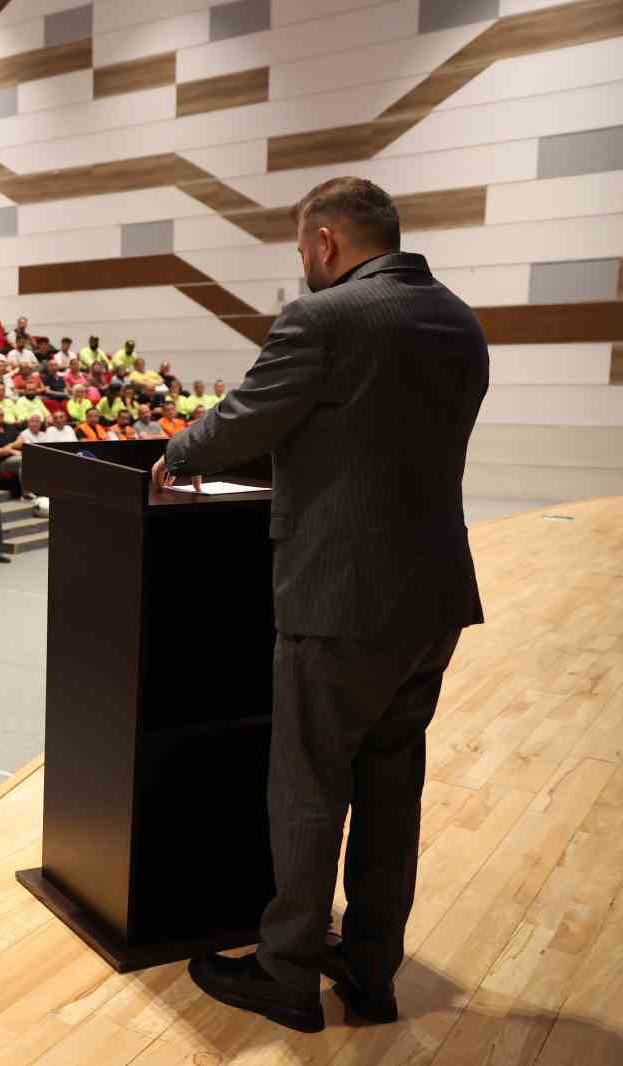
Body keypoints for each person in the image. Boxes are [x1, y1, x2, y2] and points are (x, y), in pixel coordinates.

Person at [158, 178, 489, 1034]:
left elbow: (245, 419)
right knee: (392, 787)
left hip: (340, 597)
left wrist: (176, 452)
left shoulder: (324, 319)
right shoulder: (460, 320)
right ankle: (371, 971)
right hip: (433, 598)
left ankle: (288, 973)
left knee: (307, 784)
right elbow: (375, 438)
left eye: (303, 248)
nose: (304, 264)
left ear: (328, 242)